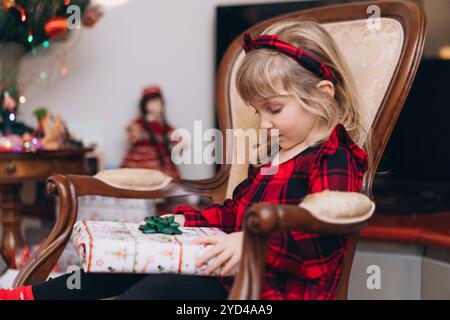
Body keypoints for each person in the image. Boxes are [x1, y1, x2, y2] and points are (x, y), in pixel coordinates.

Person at [0, 19, 369, 300]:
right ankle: (26, 295)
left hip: (267, 294)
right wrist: (181, 221)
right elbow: (233, 213)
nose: (265, 123)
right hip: (228, 275)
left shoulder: (334, 155)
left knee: (161, 288)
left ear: (321, 97)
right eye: (258, 113)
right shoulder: (275, 154)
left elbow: (322, 235)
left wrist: (254, 243)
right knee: (121, 264)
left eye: (274, 109)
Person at [121, 86, 180, 179]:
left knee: (165, 179)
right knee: (138, 178)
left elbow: (175, 137)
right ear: (144, 105)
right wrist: (133, 134)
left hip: (162, 159)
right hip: (141, 160)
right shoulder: (140, 123)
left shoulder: (164, 125)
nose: (155, 105)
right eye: (152, 102)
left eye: (158, 102)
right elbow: (132, 135)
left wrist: (180, 142)